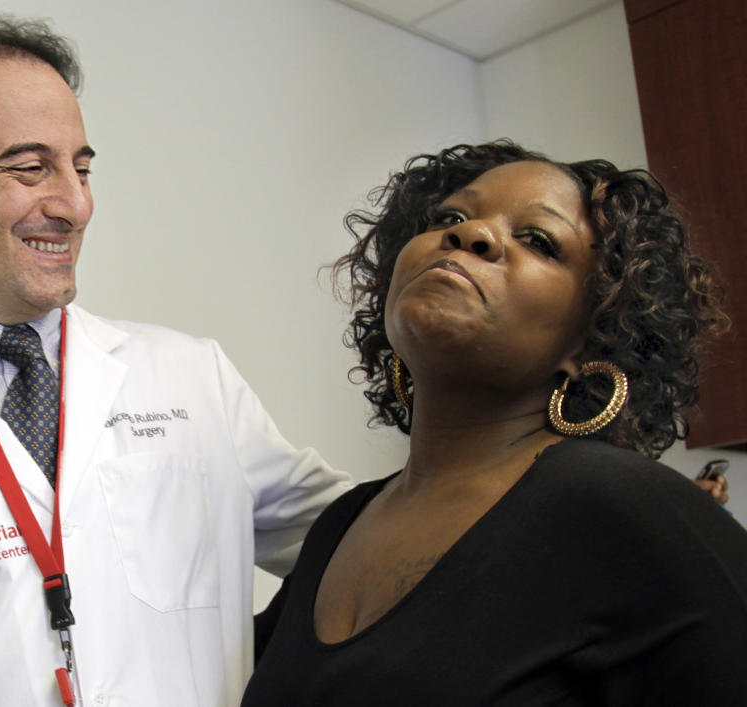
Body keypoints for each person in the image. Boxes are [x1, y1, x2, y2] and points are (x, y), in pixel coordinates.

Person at [0, 16, 350, 706]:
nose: (75, 204)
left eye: (80, 168)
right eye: (30, 168)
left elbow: (368, 544)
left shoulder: (191, 378)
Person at [242, 141, 747, 705]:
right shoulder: (342, 522)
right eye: (449, 218)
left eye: (538, 241)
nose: (469, 235)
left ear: (593, 334)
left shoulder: (623, 505)